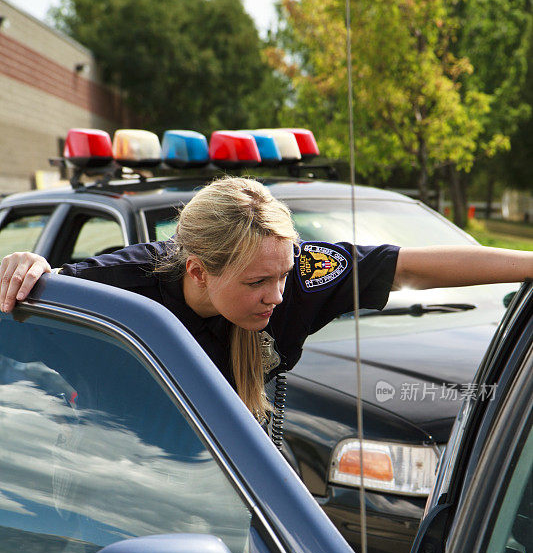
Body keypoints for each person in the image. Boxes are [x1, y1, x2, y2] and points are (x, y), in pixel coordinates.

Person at [1, 176, 532, 421]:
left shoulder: (300, 273)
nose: (278, 296)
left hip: (232, 477)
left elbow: (415, 266)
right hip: (122, 472)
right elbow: (35, 296)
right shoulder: (126, 282)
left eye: (282, 275)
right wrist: (32, 269)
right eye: (256, 283)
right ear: (198, 272)